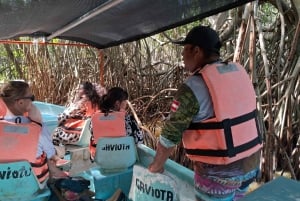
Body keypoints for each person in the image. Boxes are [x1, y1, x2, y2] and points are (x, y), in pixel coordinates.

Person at [148, 25, 262, 201]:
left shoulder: (192, 87)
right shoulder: (237, 71)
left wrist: (156, 166)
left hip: (219, 175)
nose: (182, 55)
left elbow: (170, 134)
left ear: (196, 50)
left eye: (185, 49)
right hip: (251, 166)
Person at [0, 80, 68, 181]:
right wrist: (39, 121)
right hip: (34, 184)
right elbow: (50, 153)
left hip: (3, 187)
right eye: (31, 98)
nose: (33, 102)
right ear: (21, 102)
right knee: (49, 153)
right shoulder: (37, 128)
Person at [89, 87, 144, 159]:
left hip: (101, 159)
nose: (126, 104)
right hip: (125, 158)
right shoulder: (128, 119)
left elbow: (92, 134)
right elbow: (139, 139)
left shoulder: (94, 118)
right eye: (125, 102)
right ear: (117, 103)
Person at [52, 81, 105, 146]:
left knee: (55, 132)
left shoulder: (81, 104)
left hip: (77, 136)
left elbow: (61, 118)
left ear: (84, 92)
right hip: (91, 137)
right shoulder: (100, 104)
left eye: (79, 89)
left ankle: (56, 154)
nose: (77, 90)